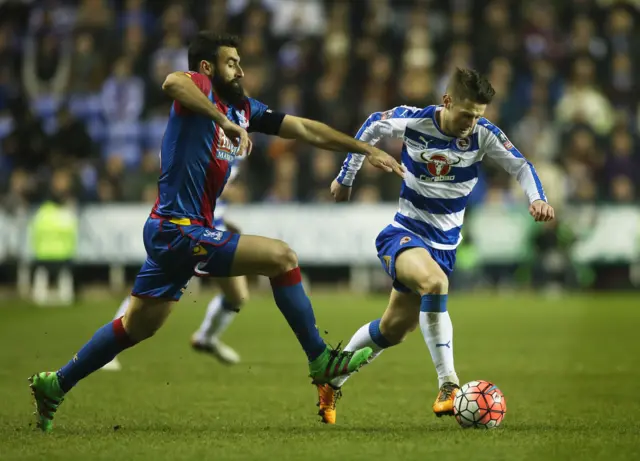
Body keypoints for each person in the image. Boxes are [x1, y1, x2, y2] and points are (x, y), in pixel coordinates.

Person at [29, 32, 404, 432]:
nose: (241, 70)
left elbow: (307, 130)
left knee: (138, 325)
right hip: (178, 230)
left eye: (240, 62)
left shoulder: (246, 109)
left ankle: (56, 384)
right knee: (282, 257)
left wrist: (364, 150)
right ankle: (321, 360)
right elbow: (172, 82)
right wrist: (222, 120)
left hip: (177, 232)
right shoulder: (202, 90)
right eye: (231, 63)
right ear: (207, 68)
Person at [315, 68, 555, 424]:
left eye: (478, 116)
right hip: (403, 233)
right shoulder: (415, 121)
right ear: (446, 101)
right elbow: (372, 125)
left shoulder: (484, 135)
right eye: (466, 114)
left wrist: (538, 198)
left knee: (394, 328)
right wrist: (345, 178)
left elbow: (521, 166)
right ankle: (449, 384)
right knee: (436, 284)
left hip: (444, 247)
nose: (471, 123)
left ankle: (332, 378)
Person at [103, 156, 247, 371]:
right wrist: (223, 190)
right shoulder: (203, 136)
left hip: (215, 232)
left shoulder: (236, 151)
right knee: (150, 295)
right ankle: (106, 350)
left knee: (237, 295)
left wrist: (225, 221)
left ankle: (205, 338)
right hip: (188, 229)